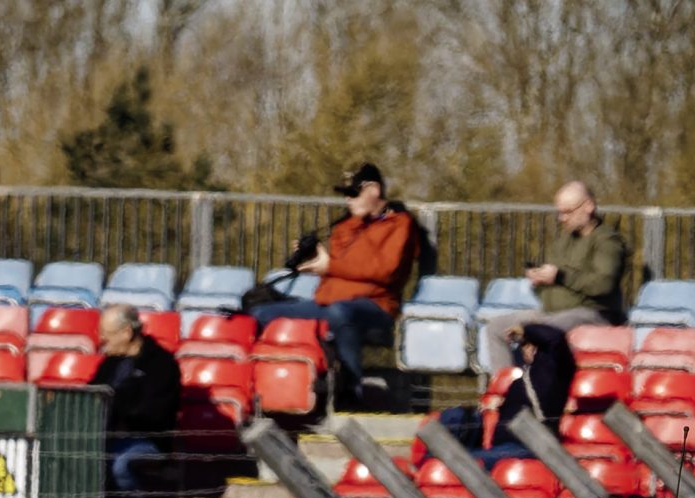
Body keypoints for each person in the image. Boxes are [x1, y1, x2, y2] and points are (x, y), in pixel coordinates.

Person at [250, 163, 421, 414]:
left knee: (341, 312)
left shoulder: (401, 225)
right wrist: (313, 260)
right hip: (328, 303)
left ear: (374, 190)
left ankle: (352, 391)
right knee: (262, 313)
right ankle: (262, 390)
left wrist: (331, 265)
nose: (348, 200)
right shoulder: (345, 226)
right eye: (346, 195)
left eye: (353, 193)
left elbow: (384, 270)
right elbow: (341, 267)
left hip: (375, 307)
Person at [478, 180, 627, 351]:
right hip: (552, 314)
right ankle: (509, 377)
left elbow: (603, 284)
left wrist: (560, 276)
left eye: (568, 212)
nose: (562, 218)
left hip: (592, 314)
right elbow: (549, 290)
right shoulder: (562, 242)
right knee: (497, 328)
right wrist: (539, 282)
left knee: (543, 329)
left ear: (588, 206)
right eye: (560, 212)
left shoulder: (607, 241)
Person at [430, 321, 575, 467]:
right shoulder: (523, 377)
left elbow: (556, 338)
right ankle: (428, 468)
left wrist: (525, 329)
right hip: (500, 442)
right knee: (453, 417)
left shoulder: (557, 373)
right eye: (523, 345)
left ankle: (436, 468)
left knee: (463, 462)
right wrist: (497, 407)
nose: (525, 348)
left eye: (530, 344)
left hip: (527, 446)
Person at [95, 305, 179, 498]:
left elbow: (157, 413)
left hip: (149, 441)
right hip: (108, 437)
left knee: (119, 463)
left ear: (126, 332)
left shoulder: (161, 363)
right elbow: (92, 395)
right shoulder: (109, 364)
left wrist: (123, 415)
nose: (101, 339)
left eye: (107, 333)